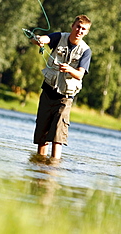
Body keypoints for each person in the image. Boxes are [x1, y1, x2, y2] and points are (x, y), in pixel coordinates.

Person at [31, 15, 92, 160]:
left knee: (58, 135)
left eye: (83, 29)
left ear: (86, 32)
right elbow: (43, 39)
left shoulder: (85, 51)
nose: (79, 31)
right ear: (72, 26)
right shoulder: (59, 37)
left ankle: (53, 167)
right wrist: (39, 40)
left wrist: (69, 69)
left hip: (65, 98)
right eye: (78, 26)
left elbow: (80, 75)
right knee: (42, 134)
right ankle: (39, 166)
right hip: (48, 91)